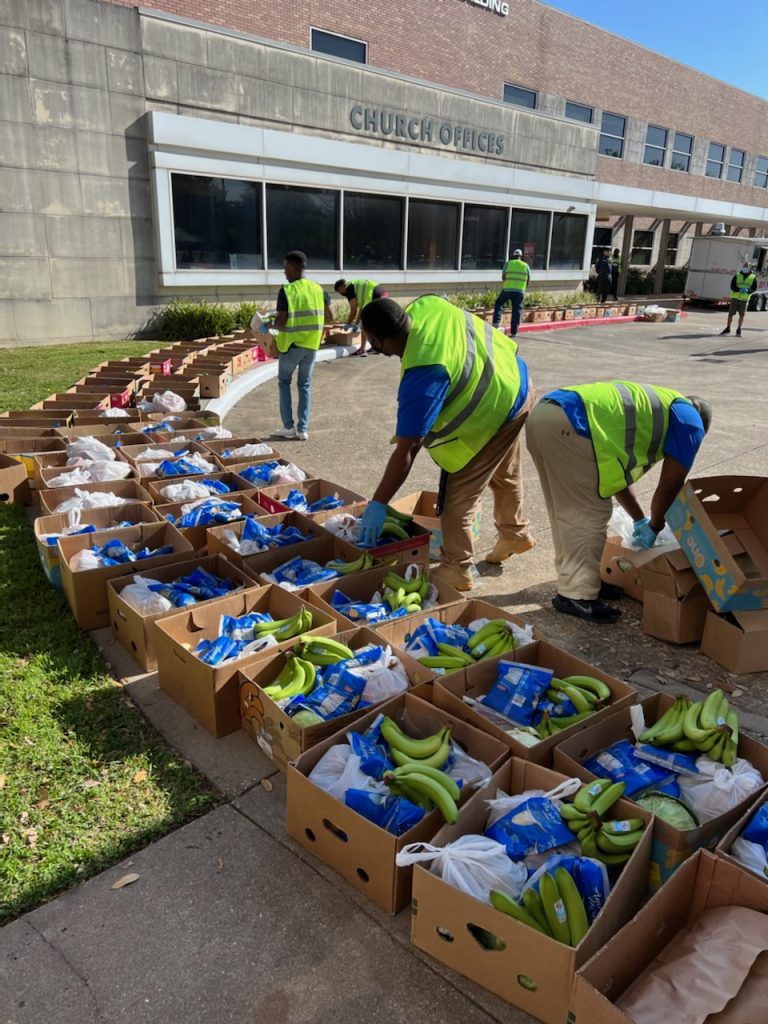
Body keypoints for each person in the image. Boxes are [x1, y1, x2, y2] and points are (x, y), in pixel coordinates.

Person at [358, 295, 536, 592]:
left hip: (491, 413)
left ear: (377, 340)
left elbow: (408, 449)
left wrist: (378, 503)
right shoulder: (427, 307)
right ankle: (514, 532)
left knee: (457, 499)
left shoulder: (424, 375)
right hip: (516, 384)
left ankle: (457, 568)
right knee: (504, 471)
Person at [525, 381, 711, 624]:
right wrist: (655, 526)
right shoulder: (690, 424)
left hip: (548, 416)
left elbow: (616, 478)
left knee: (566, 510)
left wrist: (639, 519)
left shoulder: (659, 410)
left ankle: (580, 580)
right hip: (570, 424)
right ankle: (576, 595)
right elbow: (669, 488)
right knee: (588, 513)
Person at [272, 250, 333, 441]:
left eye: (285, 268)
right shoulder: (319, 289)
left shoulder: (287, 290)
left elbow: (281, 321)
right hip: (312, 346)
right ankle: (303, 429)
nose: (284, 273)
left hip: (291, 346)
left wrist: (266, 325)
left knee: (284, 383)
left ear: (293, 268)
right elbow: (330, 316)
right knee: (304, 385)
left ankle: (289, 427)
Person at [334, 278, 388, 356]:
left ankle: (363, 349)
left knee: (364, 324)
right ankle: (378, 347)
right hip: (383, 293)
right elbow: (361, 309)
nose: (342, 294)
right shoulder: (356, 287)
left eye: (339, 292)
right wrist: (356, 323)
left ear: (341, 287)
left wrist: (348, 323)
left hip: (374, 295)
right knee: (374, 323)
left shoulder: (349, 289)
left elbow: (353, 310)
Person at [492, 248, 530, 337]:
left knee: (499, 303)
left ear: (513, 255)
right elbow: (528, 279)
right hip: (520, 291)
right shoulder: (525, 265)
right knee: (516, 310)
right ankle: (514, 332)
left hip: (507, 289)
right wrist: (523, 288)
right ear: (521, 256)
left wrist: (508, 282)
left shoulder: (508, 263)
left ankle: (496, 323)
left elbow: (503, 276)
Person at [721, 262, 757, 337]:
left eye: (746, 266)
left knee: (742, 315)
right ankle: (728, 328)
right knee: (730, 314)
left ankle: (739, 329)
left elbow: (754, 288)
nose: (745, 267)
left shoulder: (753, 277)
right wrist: (738, 289)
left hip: (744, 299)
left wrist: (748, 291)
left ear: (750, 267)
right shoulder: (737, 275)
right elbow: (732, 286)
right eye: (744, 266)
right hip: (735, 298)